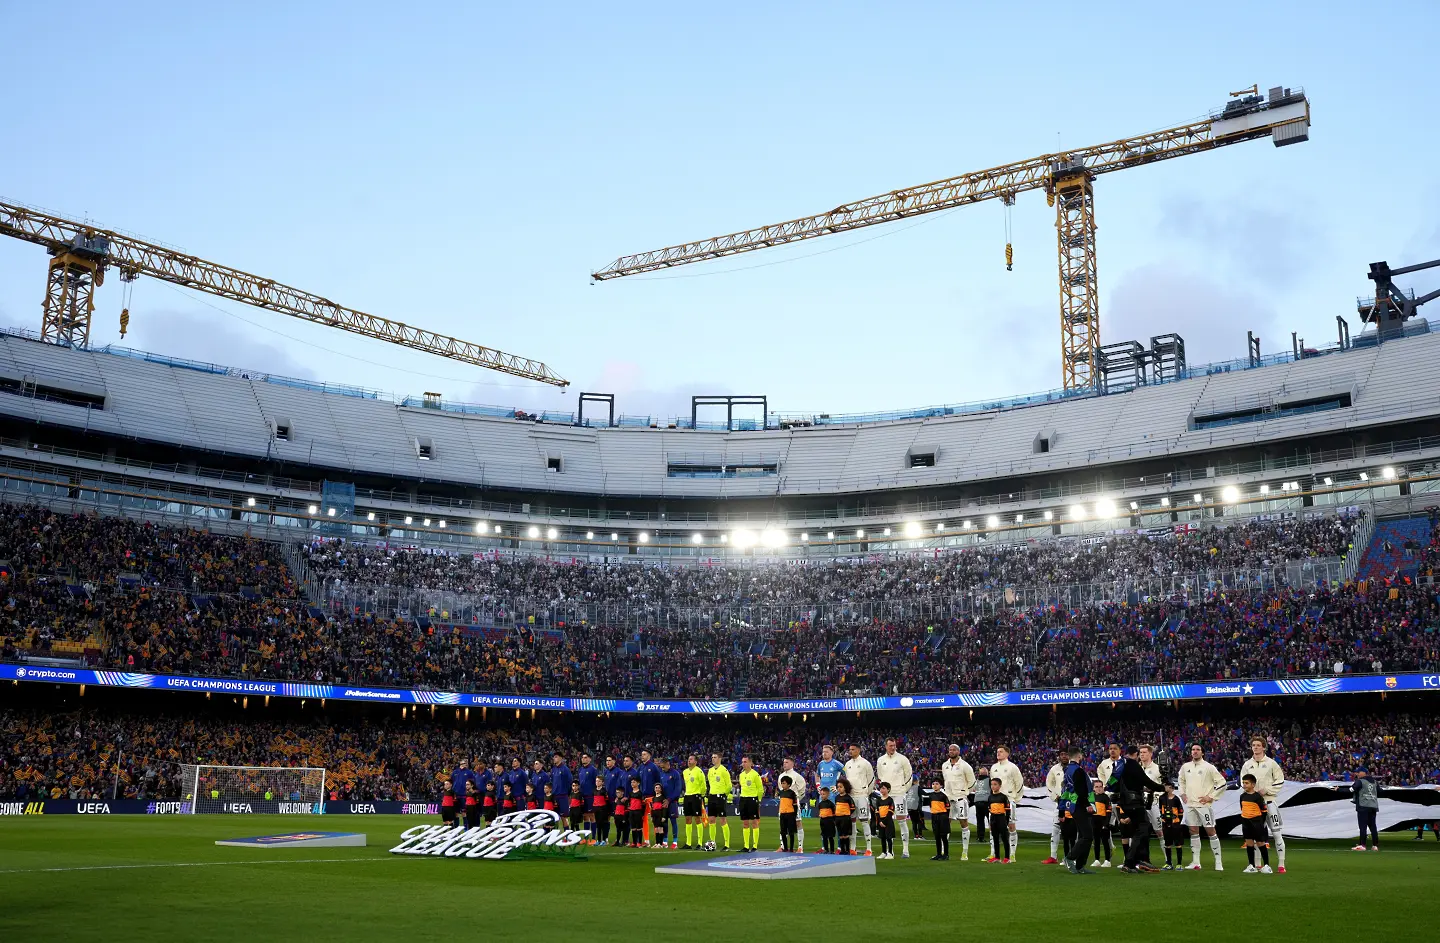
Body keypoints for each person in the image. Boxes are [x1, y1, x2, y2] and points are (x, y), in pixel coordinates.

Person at [1113, 744, 1165, 873]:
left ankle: (1143, 861)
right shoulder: (1133, 764)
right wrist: (1161, 788)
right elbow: (1145, 780)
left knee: (1141, 830)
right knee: (1143, 829)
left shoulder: (1119, 765)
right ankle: (1129, 862)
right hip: (1134, 802)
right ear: (1136, 754)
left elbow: (1114, 784)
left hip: (1125, 802)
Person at [1240, 736, 1287, 873]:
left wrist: (1267, 790)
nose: (1255, 747)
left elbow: (1280, 780)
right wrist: (1251, 793)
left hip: (1269, 802)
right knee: (1256, 834)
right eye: (1253, 745)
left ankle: (1281, 864)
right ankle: (1257, 864)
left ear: (1264, 747)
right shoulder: (1247, 765)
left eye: (1258, 745)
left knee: (1276, 833)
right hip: (1253, 805)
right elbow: (1243, 782)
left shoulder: (1271, 763)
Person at [1178, 743, 1226, 871]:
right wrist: (1182, 793)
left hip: (1204, 805)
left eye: (1198, 749)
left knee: (1211, 831)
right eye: (1193, 749)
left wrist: (1211, 797)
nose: (1195, 751)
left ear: (1202, 752)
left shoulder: (1209, 767)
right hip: (1190, 805)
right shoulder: (1185, 767)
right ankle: (1196, 862)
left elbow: (1222, 783)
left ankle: (1218, 862)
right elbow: (1181, 781)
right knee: (1193, 831)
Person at [876, 738, 914, 858]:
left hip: (899, 794)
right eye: (890, 745)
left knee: (902, 820)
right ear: (886, 746)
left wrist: (903, 789)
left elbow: (909, 776)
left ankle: (905, 850)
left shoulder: (902, 759)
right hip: (886, 795)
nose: (892, 747)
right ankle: (888, 851)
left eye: (894, 745)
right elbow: (880, 776)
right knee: (885, 821)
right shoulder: (881, 760)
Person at [1061, 746, 1095, 875]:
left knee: (1083, 836)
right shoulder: (1078, 770)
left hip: (1073, 805)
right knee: (1087, 836)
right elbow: (1081, 790)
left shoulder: (1067, 770)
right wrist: (1087, 804)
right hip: (1080, 805)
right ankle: (1070, 858)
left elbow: (1065, 789)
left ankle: (1080, 866)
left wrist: (1062, 808)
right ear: (1079, 755)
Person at [941, 744, 976, 860]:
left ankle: (964, 852)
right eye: (950, 749)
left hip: (960, 798)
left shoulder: (965, 766)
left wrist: (964, 792)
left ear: (958, 752)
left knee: (963, 822)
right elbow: (945, 780)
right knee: (946, 823)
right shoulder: (945, 765)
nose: (951, 751)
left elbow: (972, 782)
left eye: (954, 750)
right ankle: (943, 850)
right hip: (948, 798)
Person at [989, 746, 1025, 861]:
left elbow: (1019, 784)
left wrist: (1014, 799)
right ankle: (993, 854)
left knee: (1011, 826)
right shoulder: (993, 767)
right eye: (997, 751)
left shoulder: (1012, 767)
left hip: (1008, 800)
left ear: (1007, 754)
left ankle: (1012, 854)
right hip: (995, 801)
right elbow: (992, 783)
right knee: (993, 827)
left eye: (1001, 751)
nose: (998, 753)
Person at [844, 744, 877, 855]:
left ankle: (869, 849)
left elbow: (871, 780)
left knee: (864, 821)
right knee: (852, 822)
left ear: (858, 750)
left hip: (862, 796)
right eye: (850, 749)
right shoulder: (847, 764)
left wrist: (866, 792)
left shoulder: (865, 763)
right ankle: (852, 848)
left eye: (853, 749)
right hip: (851, 796)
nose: (850, 751)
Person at [1238, 775, 1272, 874]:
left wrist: (1260, 822)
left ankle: (1267, 865)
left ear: (1253, 785)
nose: (1244, 785)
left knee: (1260, 843)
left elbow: (1264, 811)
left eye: (1246, 783)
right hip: (1245, 823)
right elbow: (1242, 808)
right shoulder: (1242, 796)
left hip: (1256, 823)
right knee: (1249, 843)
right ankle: (1251, 866)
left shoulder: (1258, 797)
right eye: (1243, 783)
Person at [777, 758, 806, 852]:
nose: (784, 764)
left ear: (792, 764)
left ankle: (800, 847)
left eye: (787, 762)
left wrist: (796, 799)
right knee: (783, 825)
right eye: (784, 762)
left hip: (793, 803)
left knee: (798, 823)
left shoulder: (797, 776)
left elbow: (802, 791)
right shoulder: (781, 776)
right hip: (783, 804)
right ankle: (782, 846)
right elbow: (781, 790)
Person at [1044, 749, 1068, 865]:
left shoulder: (1075, 768)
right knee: (1055, 828)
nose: (1064, 756)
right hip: (1059, 803)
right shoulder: (1054, 769)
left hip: (1072, 803)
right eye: (1062, 754)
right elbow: (1049, 784)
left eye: (1066, 754)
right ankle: (1053, 856)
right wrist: (1055, 796)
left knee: (1071, 830)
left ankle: (1070, 856)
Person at [706, 752, 734, 851]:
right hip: (712, 796)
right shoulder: (710, 771)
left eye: (715, 757)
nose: (713, 759)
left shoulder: (724, 770)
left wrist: (724, 795)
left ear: (720, 758)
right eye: (712, 757)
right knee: (711, 820)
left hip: (720, 796)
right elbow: (710, 783)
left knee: (722, 820)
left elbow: (729, 785)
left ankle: (727, 844)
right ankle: (712, 844)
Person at [738, 756, 764, 853]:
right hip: (743, 799)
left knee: (754, 822)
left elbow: (760, 789)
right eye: (742, 762)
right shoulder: (741, 775)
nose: (743, 764)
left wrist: (758, 800)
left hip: (752, 799)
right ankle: (746, 846)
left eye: (745, 762)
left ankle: (754, 846)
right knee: (745, 823)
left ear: (750, 763)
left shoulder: (755, 775)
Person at [1158, 782, 1186, 870]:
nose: (1166, 788)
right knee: (1167, 843)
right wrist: (1164, 819)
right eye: (1165, 786)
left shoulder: (1176, 799)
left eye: (1168, 787)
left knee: (1178, 843)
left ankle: (1179, 864)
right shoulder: (1161, 798)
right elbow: (1160, 809)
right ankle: (1169, 863)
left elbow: (1181, 812)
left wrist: (1177, 822)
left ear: (1172, 789)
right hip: (1166, 824)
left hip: (1175, 824)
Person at [986, 777, 1014, 864]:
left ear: (1000, 786)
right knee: (995, 839)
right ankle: (997, 857)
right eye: (991, 784)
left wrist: (1006, 822)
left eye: (995, 784)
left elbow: (1008, 811)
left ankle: (1007, 858)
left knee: (1005, 839)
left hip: (1001, 819)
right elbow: (989, 810)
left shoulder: (1003, 797)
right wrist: (990, 822)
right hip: (993, 819)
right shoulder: (990, 797)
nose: (993, 786)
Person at [682, 754, 707, 849]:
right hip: (687, 796)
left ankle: (699, 843)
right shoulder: (685, 772)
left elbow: (703, 785)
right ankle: (688, 843)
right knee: (688, 819)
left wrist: (701, 795)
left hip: (696, 796)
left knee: (697, 819)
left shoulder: (699, 771)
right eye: (688, 759)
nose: (689, 761)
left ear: (696, 762)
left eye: (691, 759)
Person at [1352, 767, 1380, 851]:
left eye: (1358, 772)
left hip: (1363, 806)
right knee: (1373, 827)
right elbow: (1380, 791)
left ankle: (1362, 845)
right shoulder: (1375, 782)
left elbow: (1351, 790)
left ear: (1363, 772)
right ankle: (1375, 845)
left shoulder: (1360, 781)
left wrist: (1338, 790)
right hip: (1373, 806)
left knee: (1363, 826)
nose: (1356, 774)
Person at [659, 756, 682, 849]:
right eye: (661, 767)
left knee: (673, 821)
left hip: (672, 802)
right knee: (664, 821)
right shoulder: (661, 773)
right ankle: (665, 841)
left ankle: (675, 842)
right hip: (663, 801)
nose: (662, 768)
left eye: (663, 766)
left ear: (667, 764)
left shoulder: (675, 773)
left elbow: (678, 789)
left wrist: (669, 799)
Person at [1090, 778, 1113, 868]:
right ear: (1093, 788)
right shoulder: (1091, 797)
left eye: (1100, 787)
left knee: (1105, 841)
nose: (1099, 788)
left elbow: (1109, 812)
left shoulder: (1105, 797)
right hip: (1094, 822)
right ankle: (1097, 860)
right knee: (1096, 841)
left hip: (1103, 822)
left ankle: (1107, 860)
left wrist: (1106, 823)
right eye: (1097, 787)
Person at [928, 777, 951, 861]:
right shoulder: (930, 796)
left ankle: (946, 854)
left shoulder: (943, 796)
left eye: (937, 784)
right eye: (933, 784)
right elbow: (931, 806)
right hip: (934, 817)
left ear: (941, 786)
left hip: (942, 817)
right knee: (937, 836)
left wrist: (945, 817)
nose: (935, 785)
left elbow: (948, 808)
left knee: (943, 837)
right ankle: (938, 854)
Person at [875, 782, 897, 860]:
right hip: (881, 821)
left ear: (888, 789)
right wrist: (880, 821)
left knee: (889, 837)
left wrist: (884, 822)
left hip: (888, 821)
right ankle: (883, 852)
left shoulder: (890, 800)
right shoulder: (878, 800)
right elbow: (877, 812)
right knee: (882, 837)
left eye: (883, 788)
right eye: (880, 788)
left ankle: (890, 853)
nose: (882, 790)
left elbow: (890, 812)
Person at [778, 775, 799, 852]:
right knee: (783, 832)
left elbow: (795, 805)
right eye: (782, 783)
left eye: (784, 783)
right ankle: (785, 848)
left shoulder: (792, 793)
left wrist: (794, 815)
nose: (782, 785)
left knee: (791, 832)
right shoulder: (781, 793)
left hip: (790, 814)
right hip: (782, 814)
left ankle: (791, 848)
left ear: (789, 784)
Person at [833, 780, 855, 856]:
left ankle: (847, 850)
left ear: (845, 788)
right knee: (841, 835)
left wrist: (846, 814)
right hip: (838, 818)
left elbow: (852, 808)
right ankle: (842, 850)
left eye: (841, 787)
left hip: (845, 818)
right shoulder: (837, 797)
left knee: (845, 835)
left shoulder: (848, 798)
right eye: (838, 787)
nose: (839, 788)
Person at [550, 752, 573, 820]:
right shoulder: (553, 769)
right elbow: (552, 782)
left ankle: (566, 828)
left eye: (556, 757)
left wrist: (567, 793)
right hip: (554, 796)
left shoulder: (565, 769)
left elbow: (570, 782)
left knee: (564, 817)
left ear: (561, 758)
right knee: (554, 817)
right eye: (554, 757)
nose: (554, 758)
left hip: (563, 796)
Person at [973, 766, 991, 849]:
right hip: (986, 802)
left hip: (977, 802)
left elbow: (974, 790)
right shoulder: (989, 780)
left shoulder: (976, 781)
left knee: (980, 821)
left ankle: (980, 837)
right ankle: (993, 836)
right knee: (991, 820)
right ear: (987, 773)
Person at [591, 777, 611, 846]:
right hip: (596, 810)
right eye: (596, 781)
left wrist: (607, 810)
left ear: (602, 782)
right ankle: (598, 840)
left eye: (599, 781)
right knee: (598, 825)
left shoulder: (604, 791)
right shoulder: (594, 790)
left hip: (603, 809)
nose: (597, 782)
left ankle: (604, 840)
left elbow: (607, 801)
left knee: (603, 825)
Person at [817, 786, 837, 854]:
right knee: (824, 836)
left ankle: (832, 850)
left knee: (830, 837)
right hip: (823, 822)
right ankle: (826, 849)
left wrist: (834, 821)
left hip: (830, 822)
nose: (822, 796)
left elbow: (834, 813)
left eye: (824, 794)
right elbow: (820, 812)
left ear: (828, 794)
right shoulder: (820, 804)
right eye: (821, 794)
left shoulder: (831, 804)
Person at [626, 777, 645, 848]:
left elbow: (643, 804)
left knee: (639, 827)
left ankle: (639, 842)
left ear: (638, 783)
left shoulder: (640, 793)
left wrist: (642, 814)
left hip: (638, 812)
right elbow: (628, 802)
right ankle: (634, 842)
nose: (632, 783)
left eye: (634, 782)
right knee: (633, 828)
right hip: (631, 812)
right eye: (631, 782)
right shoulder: (630, 793)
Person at [650, 782, 669, 848]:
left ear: (661, 789)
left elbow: (664, 808)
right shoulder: (653, 798)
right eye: (656, 788)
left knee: (660, 829)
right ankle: (657, 843)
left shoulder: (663, 798)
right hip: (654, 815)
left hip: (660, 814)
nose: (657, 789)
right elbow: (652, 808)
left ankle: (660, 843)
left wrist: (664, 816)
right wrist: (652, 816)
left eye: (658, 788)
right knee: (656, 829)